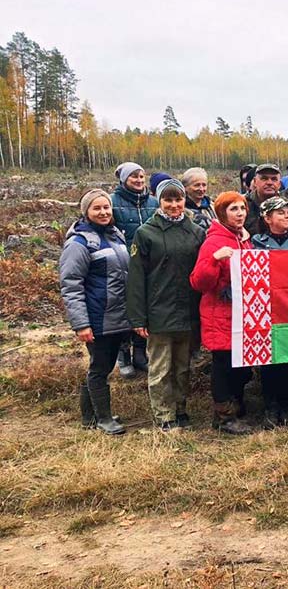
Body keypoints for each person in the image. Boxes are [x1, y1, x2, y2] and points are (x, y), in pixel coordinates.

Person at [126, 179, 205, 431]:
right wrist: (138, 318)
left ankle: (180, 409)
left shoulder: (196, 232)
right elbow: (136, 279)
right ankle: (164, 415)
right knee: (160, 368)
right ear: (158, 201)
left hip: (187, 312)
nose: (174, 205)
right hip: (159, 313)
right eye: (168, 200)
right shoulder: (146, 233)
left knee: (182, 367)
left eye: (178, 199)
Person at [59, 189, 132, 435]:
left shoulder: (115, 235)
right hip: (98, 318)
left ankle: (89, 416)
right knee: (100, 368)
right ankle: (104, 418)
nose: (103, 212)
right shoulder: (78, 243)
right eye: (97, 208)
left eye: (106, 207)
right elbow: (71, 285)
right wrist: (81, 324)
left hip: (116, 316)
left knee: (100, 366)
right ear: (86, 212)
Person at [190, 191, 255, 434]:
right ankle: (223, 416)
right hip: (220, 314)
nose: (240, 213)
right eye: (233, 209)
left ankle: (236, 408)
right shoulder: (214, 242)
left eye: (242, 208)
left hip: (240, 314)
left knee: (240, 367)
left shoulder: (242, 239)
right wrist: (214, 260)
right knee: (224, 367)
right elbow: (198, 282)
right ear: (221, 214)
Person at [252, 196, 288, 426]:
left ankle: (287, 406)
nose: (287, 216)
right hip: (267, 309)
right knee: (269, 361)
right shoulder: (256, 243)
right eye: (280, 213)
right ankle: (270, 406)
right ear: (267, 218)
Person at [111, 161, 158, 378]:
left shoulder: (153, 202)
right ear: (124, 180)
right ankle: (123, 356)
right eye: (134, 177)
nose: (139, 180)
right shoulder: (113, 202)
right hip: (123, 264)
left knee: (143, 309)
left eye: (142, 176)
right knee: (124, 310)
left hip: (149, 264)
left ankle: (140, 353)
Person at [245, 163, 281, 235]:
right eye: (264, 178)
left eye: (274, 179)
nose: (269, 183)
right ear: (255, 182)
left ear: (279, 184)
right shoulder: (243, 204)